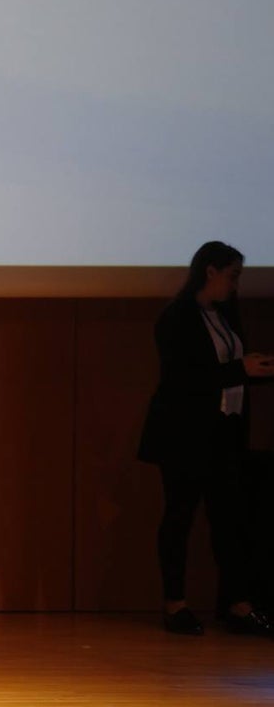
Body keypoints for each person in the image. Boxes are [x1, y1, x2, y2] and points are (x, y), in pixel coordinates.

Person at [138, 240, 274, 635]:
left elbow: (233, 371)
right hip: (183, 436)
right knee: (179, 517)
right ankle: (175, 604)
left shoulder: (225, 315)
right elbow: (183, 380)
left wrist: (257, 368)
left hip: (225, 433)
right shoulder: (175, 318)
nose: (236, 285)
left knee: (230, 521)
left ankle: (237, 604)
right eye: (232, 276)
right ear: (210, 271)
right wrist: (241, 369)